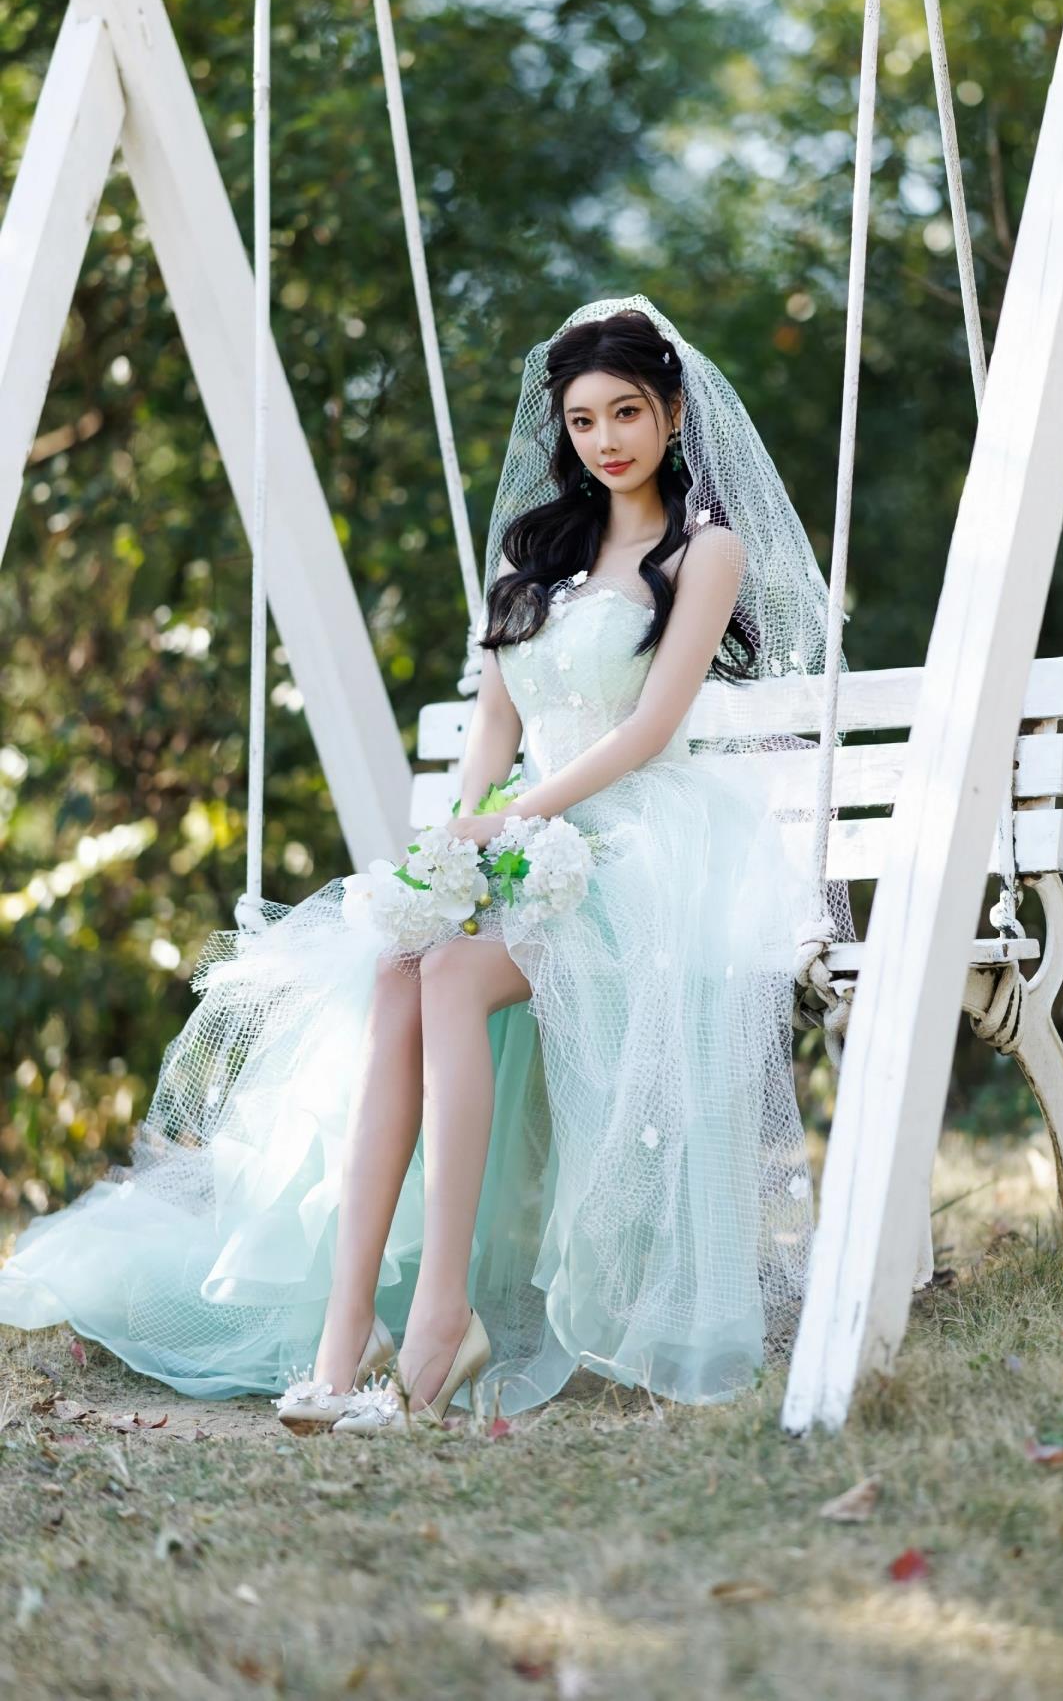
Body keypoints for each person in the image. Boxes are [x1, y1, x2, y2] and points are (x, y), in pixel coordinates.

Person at [0, 296, 855, 1429]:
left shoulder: (707, 551)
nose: (606, 440)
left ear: (673, 412)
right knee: (400, 965)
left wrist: (508, 824)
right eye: (584, 419)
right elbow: (495, 726)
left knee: (448, 974)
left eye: (627, 413)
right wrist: (459, 849)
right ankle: (343, 1334)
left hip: (644, 849)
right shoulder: (536, 553)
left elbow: (651, 729)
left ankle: (444, 1319)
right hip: (526, 835)